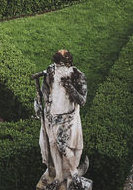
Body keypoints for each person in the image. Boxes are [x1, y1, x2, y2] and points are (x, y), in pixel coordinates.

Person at [34, 50, 90, 190]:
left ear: (68, 63)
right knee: (52, 145)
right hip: (50, 117)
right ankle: (58, 176)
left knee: (63, 147)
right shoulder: (50, 71)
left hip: (66, 118)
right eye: (56, 64)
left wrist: (69, 86)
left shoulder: (78, 75)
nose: (57, 67)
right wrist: (39, 102)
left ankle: (74, 173)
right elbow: (45, 90)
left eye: (60, 65)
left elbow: (82, 101)